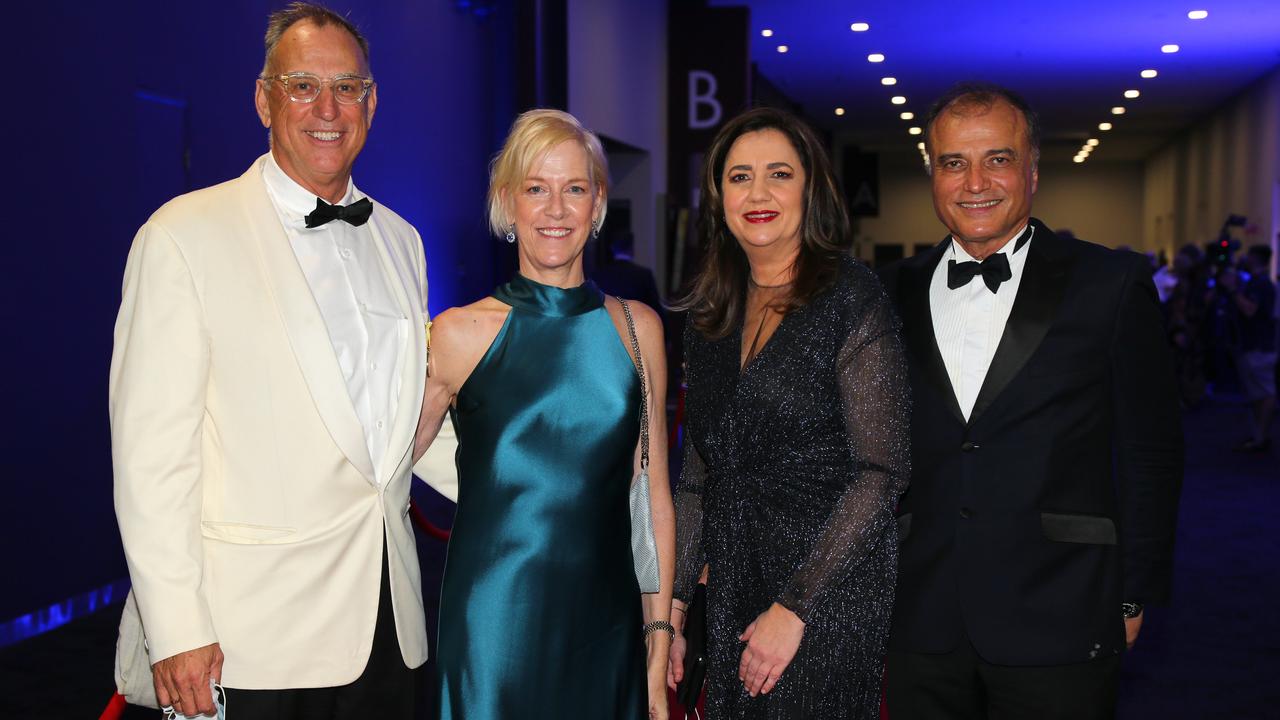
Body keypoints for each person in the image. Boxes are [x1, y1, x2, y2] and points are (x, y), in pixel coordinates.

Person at [110, 4, 456, 718]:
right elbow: (152, 457)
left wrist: (562, 490)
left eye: (348, 87)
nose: (328, 109)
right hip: (247, 638)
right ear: (263, 99)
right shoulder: (182, 236)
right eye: (302, 86)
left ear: (373, 101)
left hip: (389, 627)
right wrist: (176, 628)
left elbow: (407, 422)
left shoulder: (401, 240)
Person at [878, 82, 1184, 719]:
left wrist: (1133, 592)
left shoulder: (1110, 283)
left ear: (1033, 170)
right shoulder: (885, 293)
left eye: (998, 158)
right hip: (920, 609)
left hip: (1064, 604)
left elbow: (1151, 452)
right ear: (932, 173)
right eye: (953, 162)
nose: (975, 182)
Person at [414, 108, 675, 720]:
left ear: (597, 204)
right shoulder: (458, 333)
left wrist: (658, 644)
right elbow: (382, 473)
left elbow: (653, 496)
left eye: (574, 189)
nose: (556, 210)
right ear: (508, 203)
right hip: (494, 631)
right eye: (536, 188)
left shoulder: (639, 330)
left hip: (606, 625)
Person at [667, 106, 911, 719]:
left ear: (811, 188)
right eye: (739, 176)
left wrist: (795, 607)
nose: (759, 193)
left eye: (779, 173)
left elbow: (881, 471)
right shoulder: (708, 316)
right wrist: (672, 608)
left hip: (824, 592)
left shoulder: (853, 298)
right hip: (728, 586)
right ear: (718, 196)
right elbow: (699, 474)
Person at [1221, 244, 1276, 451]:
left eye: (1249, 254)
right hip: (1253, 345)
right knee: (1257, 393)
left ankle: (1261, 437)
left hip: (1259, 347)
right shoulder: (1255, 282)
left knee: (1266, 392)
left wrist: (1233, 289)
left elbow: (1250, 310)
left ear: (1255, 257)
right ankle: (1259, 435)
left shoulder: (1262, 285)